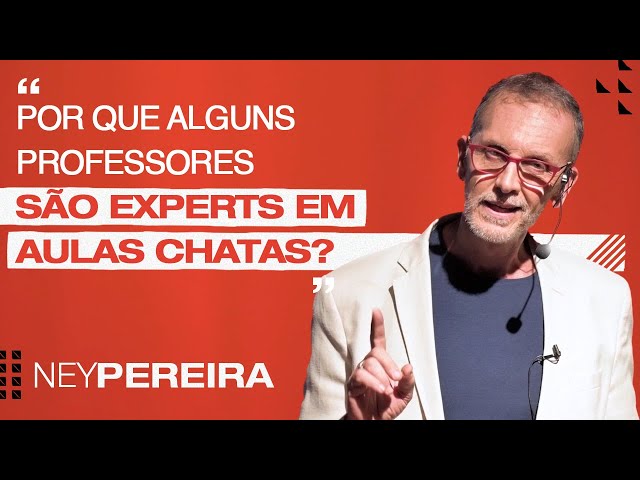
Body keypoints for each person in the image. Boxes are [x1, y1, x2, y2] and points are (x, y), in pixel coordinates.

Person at [298, 72, 638, 420]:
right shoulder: (349, 292)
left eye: (536, 166)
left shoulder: (605, 299)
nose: (507, 183)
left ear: (563, 185)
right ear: (463, 157)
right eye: (492, 154)